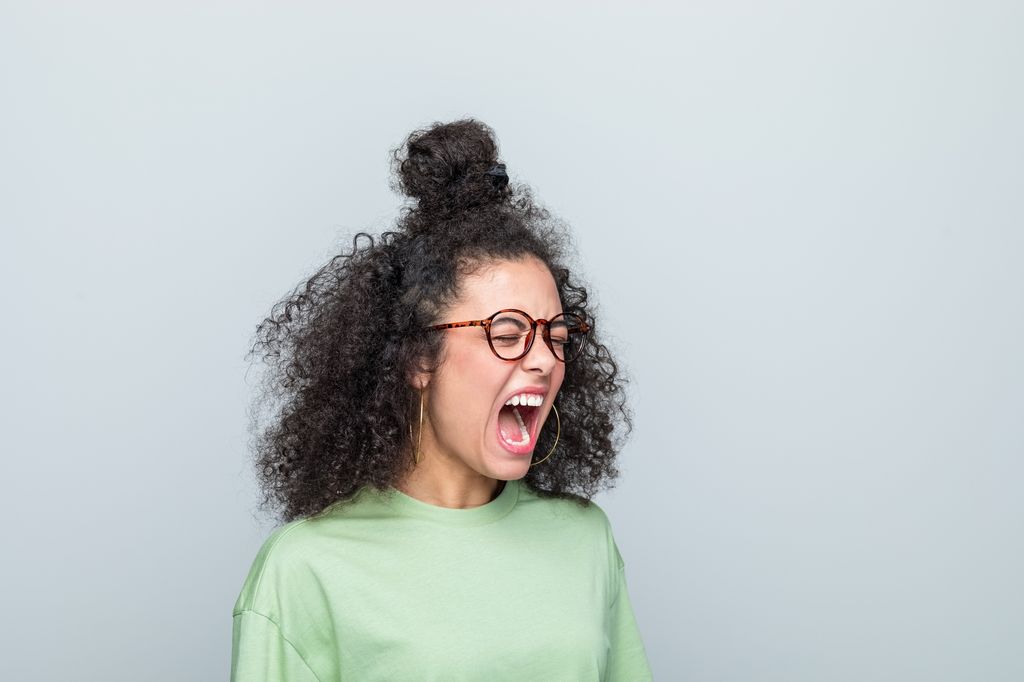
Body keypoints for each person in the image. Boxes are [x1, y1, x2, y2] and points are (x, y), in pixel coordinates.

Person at [231, 119, 653, 681]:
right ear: (417, 359)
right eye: (507, 334)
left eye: (556, 335)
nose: (546, 359)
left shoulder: (585, 539)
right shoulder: (305, 567)